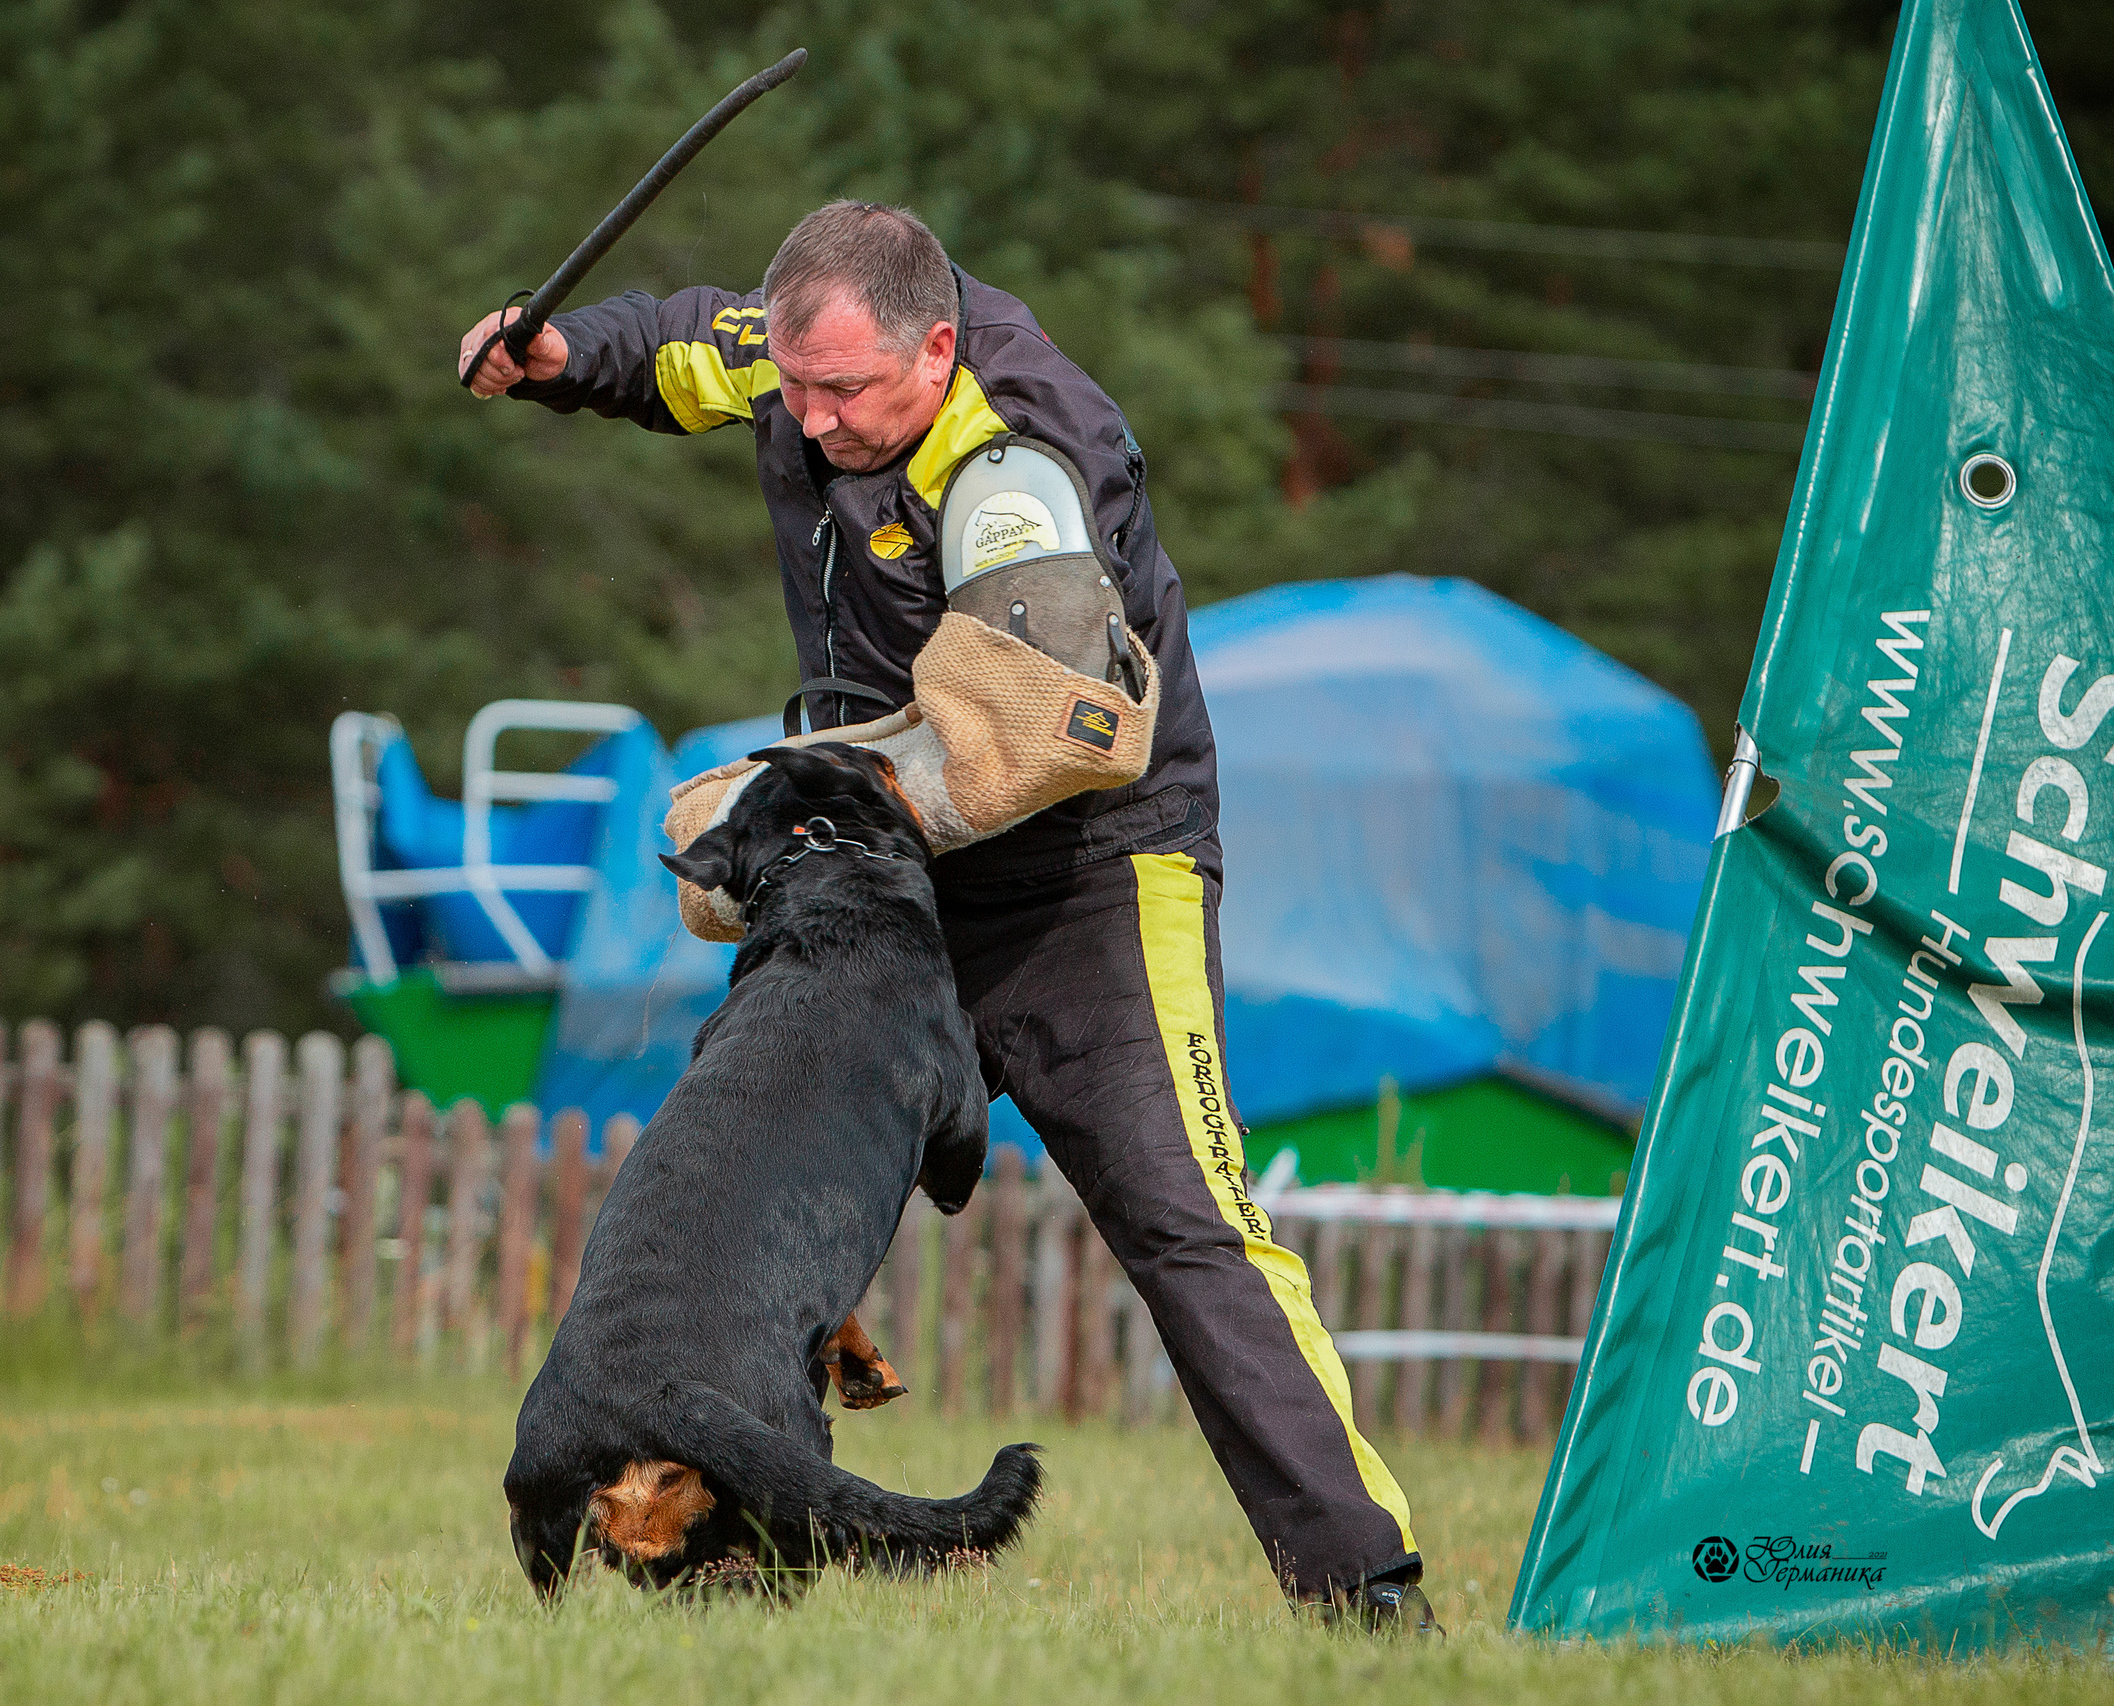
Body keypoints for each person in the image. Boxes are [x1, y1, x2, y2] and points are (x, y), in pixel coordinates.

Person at [460, 200, 1432, 1631]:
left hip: (1093, 872)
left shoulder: (1024, 457)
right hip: (876, 877)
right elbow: (682, 348)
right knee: (724, 1177)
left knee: (1189, 1223)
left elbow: (1040, 731)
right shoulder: (808, 363)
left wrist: (782, 800)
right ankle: (726, 1560)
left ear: (936, 345)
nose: (810, 418)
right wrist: (557, 354)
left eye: (844, 391)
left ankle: (1368, 1594)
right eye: (793, 386)